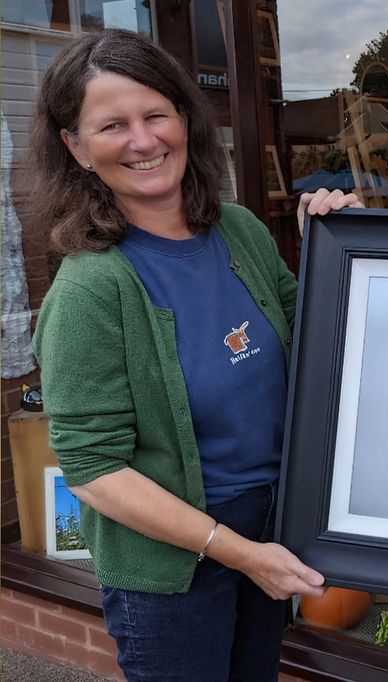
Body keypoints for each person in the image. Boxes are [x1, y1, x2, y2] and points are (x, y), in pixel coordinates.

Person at [30, 29, 361, 681]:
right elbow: (94, 469)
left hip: (269, 531)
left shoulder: (237, 229)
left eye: (156, 114)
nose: (144, 140)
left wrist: (338, 248)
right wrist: (236, 552)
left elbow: (320, 341)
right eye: (113, 125)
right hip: (174, 571)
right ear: (75, 148)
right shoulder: (91, 289)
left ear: (185, 118)